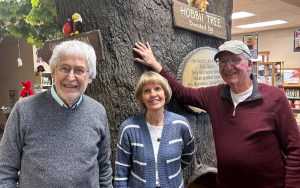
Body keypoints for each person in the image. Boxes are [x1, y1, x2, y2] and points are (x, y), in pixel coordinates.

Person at [133, 41, 300, 188]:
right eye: (223, 61)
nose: (228, 67)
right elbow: (181, 92)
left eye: (235, 60)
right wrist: (155, 65)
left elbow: (295, 149)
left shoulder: (274, 98)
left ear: (249, 64)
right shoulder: (214, 96)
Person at [0, 40, 112, 187]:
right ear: (53, 71)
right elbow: (5, 169)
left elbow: (104, 169)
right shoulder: (24, 110)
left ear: (89, 76)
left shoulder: (98, 111)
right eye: (64, 69)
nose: (71, 77)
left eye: (79, 70)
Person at [114, 71, 195, 187]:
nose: (153, 94)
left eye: (157, 89)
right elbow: (121, 170)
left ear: (165, 93)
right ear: (141, 98)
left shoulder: (181, 124)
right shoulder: (129, 128)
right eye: (146, 91)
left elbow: (188, 156)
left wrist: (169, 167)